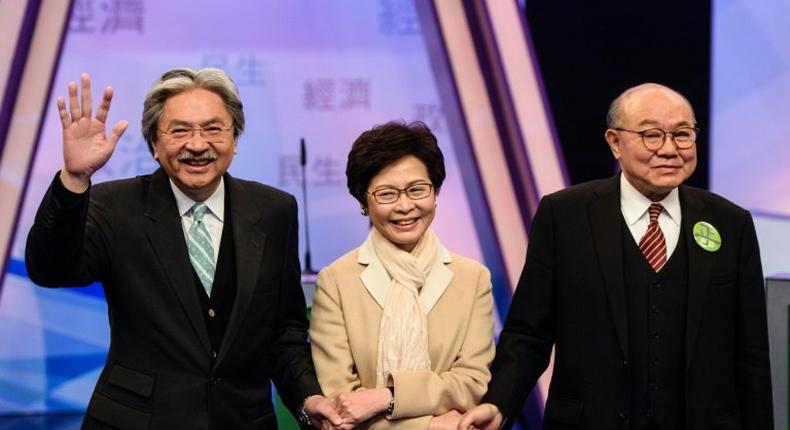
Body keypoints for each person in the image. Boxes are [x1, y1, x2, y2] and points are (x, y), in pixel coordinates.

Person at [25, 68, 342, 429]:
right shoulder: (114, 206)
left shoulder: (274, 211)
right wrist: (74, 180)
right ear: (154, 145)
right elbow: (49, 270)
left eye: (213, 129)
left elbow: (285, 332)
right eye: (179, 131)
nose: (196, 144)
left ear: (234, 138)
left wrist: (308, 397)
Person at [459, 83, 773, 430]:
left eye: (682, 134)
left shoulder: (730, 222)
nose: (669, 149)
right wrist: (499, 403)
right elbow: (528, 332)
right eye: (651, 135)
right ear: (614, 142)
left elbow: (752, 353)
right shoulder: (563, 215)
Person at [309, 121, 495, 429]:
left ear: (435, 193)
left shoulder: (472, 278)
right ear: (363, 202)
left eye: (417, 189)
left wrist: (385, 397)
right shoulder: (337, 281)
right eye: (386, 194)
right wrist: (430, 426)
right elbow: (342, 405)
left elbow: (471, 384)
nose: (405, 206)